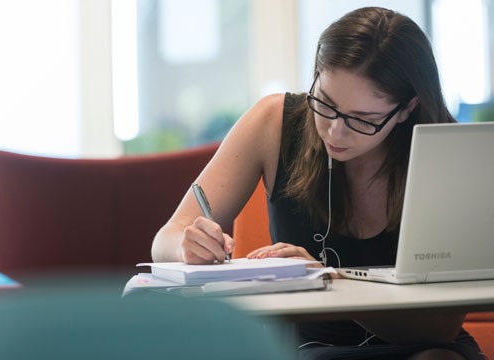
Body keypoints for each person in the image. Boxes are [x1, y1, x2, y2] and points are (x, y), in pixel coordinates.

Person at [151, 6, 484, 360]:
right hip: (305, 350)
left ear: (406, 109)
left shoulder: (444, 151)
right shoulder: (274, 122)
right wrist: (188, 246)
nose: (335, 131)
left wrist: (331, 281)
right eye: (325, 103)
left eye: (362, 119)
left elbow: (440, 327)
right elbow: (165, 239)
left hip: (425, 348)